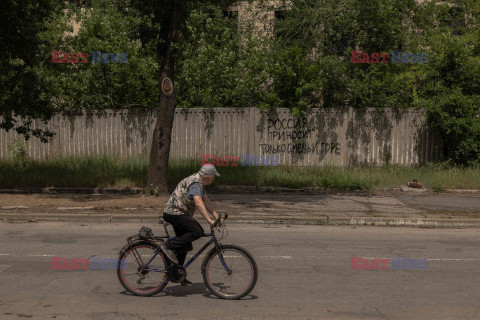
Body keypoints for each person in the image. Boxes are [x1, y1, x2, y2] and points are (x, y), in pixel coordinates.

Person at [161, 163, 223, 286]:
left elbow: (206, 201)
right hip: (175, 213)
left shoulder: (199, 182)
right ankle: (169, 246)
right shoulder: (195, 183)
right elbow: (199, 202)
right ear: (209, 176)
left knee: (184, 245)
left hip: (179, 213)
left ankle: (178, 274)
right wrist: (209, 221)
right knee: (197, 231)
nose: (214, 178)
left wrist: (216, 217)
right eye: (214, 176)